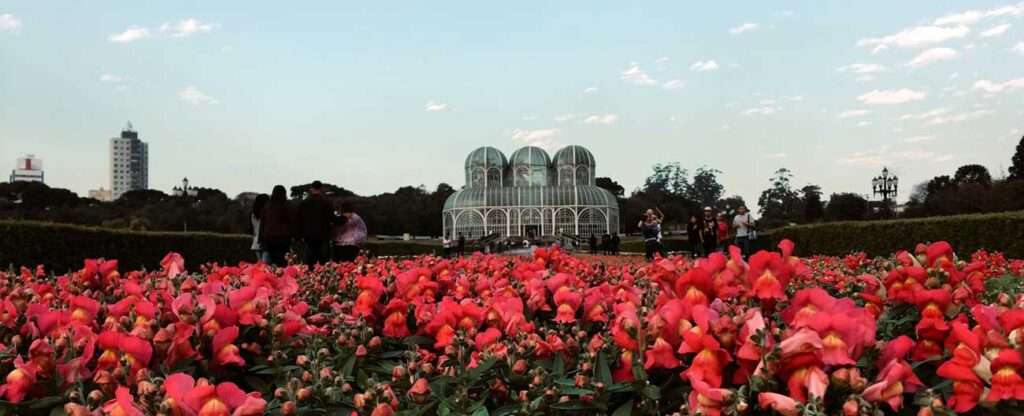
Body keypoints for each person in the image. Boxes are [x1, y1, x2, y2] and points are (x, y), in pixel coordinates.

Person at [298, 181, 334, 266]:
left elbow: (299, 219)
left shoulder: (304, 203)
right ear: (321, 189)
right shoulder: (326, 202)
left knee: (310, 259)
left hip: (308, 234)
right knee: (323, 260)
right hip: (323, 233)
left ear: (311, 189)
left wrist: (300, 234)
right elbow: (331, 218)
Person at [260, 185, 293, 267]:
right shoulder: (287, 206)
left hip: (269, 238)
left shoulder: (267, 206)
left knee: (269, 263)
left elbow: (263, 223)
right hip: (283, 238)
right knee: (282, 262)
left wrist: (261, 238)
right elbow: (291, 221)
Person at [250, 194, 270, 263]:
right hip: (265, 241)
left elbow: (253, 229)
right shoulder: (267, 213)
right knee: (266, 266)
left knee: (260, 265)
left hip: (256, 242)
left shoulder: (253, 214)